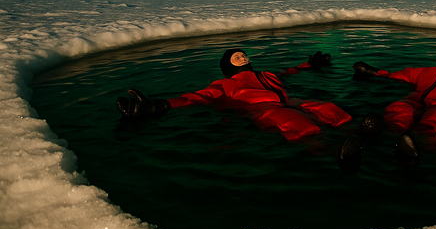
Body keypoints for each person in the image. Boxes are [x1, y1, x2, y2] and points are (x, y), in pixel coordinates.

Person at [117, 49, 353, 143]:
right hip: (267, 110)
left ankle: (355, 135)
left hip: (292, 101)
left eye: (243, 54)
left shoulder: (267, 74)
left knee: (330, 109)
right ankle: (326, 153)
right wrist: (160, 105)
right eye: (236, 57)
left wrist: (311, 64)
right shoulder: (225, 84)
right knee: (299, 124)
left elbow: (290, 71)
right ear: (228, 66)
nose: (243, 57)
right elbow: (197, 97)